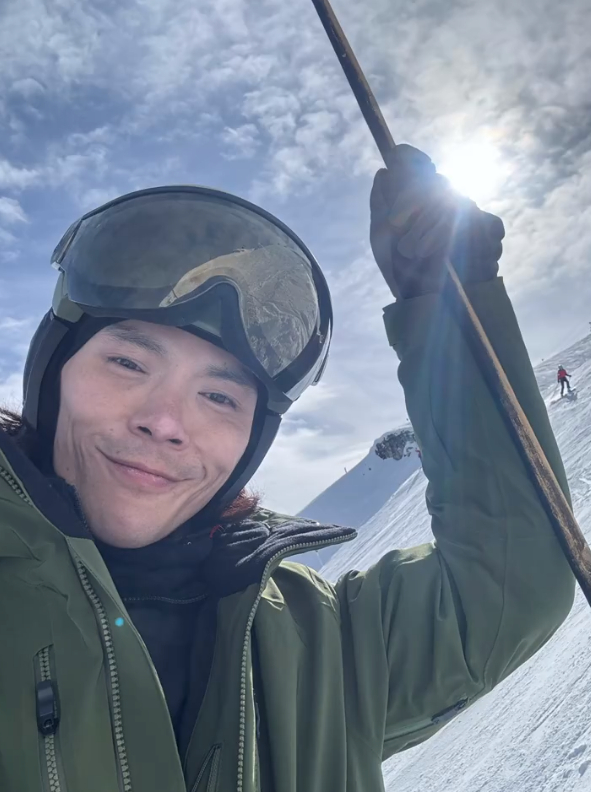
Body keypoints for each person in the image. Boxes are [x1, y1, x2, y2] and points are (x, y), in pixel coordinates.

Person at [0, 145, 574, 792]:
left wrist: (449, 315)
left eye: (219, 396)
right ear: (53, 371)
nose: (165, 421)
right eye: (128, 363)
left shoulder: (309, 640)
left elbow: (508, 588)